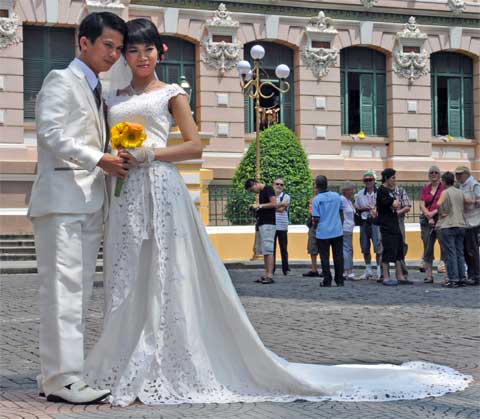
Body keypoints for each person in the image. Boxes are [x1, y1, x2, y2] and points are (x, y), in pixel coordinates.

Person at [83, 18, 471, 406]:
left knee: (167, 270)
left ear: (159, 52)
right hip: (124, 192)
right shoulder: (111, 95)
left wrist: (150, 152)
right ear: (122, 54)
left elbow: (195, 145)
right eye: (132, 50)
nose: (140, 57)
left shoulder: (170, 94)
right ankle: (123, 354)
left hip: (161, 189)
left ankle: (163, 358)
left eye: (148, 49)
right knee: (127, 270)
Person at [27, 12, 128, 404]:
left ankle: (58, 374)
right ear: (83, 42)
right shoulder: (61, 80)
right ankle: (62, 380)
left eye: (119, 49)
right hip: (61, 202)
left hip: (87, 202)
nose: (115, 55)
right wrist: (98, 158)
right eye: (109, 46)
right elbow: (49, 133)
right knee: (63, 291)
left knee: (78, 292)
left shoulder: (97, 88)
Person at [376, 169, 411, 286]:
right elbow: (395, 204)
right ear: (386, 178)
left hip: (394, 223)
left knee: (399, 249)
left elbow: (398, 205)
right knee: (387, 250)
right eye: (393, 178)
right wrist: (394, 202)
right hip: (386, 225)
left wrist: (395, 202)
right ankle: (386, 276)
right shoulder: (382, 190)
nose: (394, 180)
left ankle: (399, 275)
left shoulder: (391, 191)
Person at [311, 175, 344, 287]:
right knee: (338, 256)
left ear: (316, 185)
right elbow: (341, 212)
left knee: (324, 257)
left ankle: (327, 280)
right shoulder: (336, 196)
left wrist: (315, 228)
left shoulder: (317, 199)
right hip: (337, 231)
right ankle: (340, 280)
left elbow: (316, 218)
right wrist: (340, 225)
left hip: (323, 232)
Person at [436, 172, 467, 288]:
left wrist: (443, 212)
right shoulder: (460, 192)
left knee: (451, 253)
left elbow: (438, 204)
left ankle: (453, 278)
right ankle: (461, 277)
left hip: (448, 224)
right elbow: (467, 202)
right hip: (461, 224)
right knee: (460, 253)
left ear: (444, 181)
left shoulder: (445, 192)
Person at [245, 179, 277, 284]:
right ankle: (266, 273)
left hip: (268, 223)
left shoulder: (268, 189)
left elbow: (273, 204)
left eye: (251, 189)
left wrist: (259, 206)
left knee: (268, 249)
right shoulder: (262, 192)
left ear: (255, 184)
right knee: (264, 251)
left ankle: (270, 275)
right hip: (262, 223)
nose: (253, 192)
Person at [455, 166, 480, 286]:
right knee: (466, 250)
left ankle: (476, 275)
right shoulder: (462, 185)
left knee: (472, 250)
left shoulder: (474, 185)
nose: (457, 177)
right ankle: (471, 274)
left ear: (466, 174)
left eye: (460, 174)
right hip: (465, 222)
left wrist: (473, 202)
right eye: (457, 174)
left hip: (473, 222)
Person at [419, 166, 445, 283]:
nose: (433, 174)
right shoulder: (426, 188)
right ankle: (429, 276)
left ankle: (446, 272)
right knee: (427, 247)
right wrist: (428, 215)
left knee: (444, 245)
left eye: (436, 172)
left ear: (439, 175)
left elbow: (445, 203)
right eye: (431, 172)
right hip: (427, 221)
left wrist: (434, 213)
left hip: (441, 219)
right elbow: (422, 204)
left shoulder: (444, 188)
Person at [355, 171, 382, 280]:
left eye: (370, 180)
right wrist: (365, 209)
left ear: (374, 181)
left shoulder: (379, 192)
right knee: (365, 246)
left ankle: (380, 270)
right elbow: (356, 208)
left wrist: (376, 210)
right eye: (366, 180)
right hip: (365, 221)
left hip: (376, 221)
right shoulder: (360, 194)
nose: (368, 182)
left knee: (378, 246)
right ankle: (368, 269)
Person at [302, 184, 322, 278]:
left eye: (317, 187)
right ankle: (314, 269)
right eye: (315, 187)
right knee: (312, 248)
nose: (316, 189)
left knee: (323, 248)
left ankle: (324, 269)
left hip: (323, 225)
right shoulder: (312, 199)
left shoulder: (324, 199)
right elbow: (310, 211)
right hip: (314, 226)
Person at [273, 177, 290, 275]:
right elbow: (279, 207)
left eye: (281, 184)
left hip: (282, 225)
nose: (279, 186)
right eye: (277, 184)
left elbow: (281, 210)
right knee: (272, 249)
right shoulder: (270, 196)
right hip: (272, 225)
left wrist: (272, 206)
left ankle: (285, 268)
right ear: (273, 185)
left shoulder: (286, 196)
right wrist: (280, 204)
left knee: (283, 248)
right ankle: (272, 268)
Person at [394, 184, 412, 279]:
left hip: (399, 220)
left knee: (401, 245)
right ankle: (383, 274)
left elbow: (407, 206)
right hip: (386, 221)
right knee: (384, 247)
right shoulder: (383, 191)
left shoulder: (400, 191)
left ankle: (401, 272)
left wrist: (397, 212)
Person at [341, 181, 356, 280]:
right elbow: (341, 213)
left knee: (348, 250)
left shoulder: (349, 201)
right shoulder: (342, 199)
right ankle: (348, 271)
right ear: (346, 190)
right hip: (344, 228)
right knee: (347, 250)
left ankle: (346, 270)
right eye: (352, 189)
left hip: (349, 228)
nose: (353, 191)